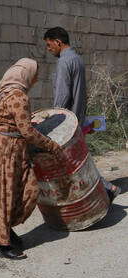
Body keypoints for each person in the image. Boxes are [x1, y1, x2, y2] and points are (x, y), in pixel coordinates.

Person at [0, 59, 66, 260]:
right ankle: (1, 245)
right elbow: (27, 133)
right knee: (8, 194)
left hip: (6, 148)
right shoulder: (18, 96)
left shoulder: (6, 91)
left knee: (19, 191)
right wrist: (53, 146)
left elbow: (14, 122)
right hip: (6, 151)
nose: (36, 78)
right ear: (26, 74)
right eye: (35, 74)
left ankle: (6, 232)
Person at [44, 27, 121, 201]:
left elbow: (63, 94)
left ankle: (107, 188)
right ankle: (105, 189)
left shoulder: (64, 62)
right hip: (76, 117)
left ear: (58, 42)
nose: (48, 49)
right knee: (75, 160)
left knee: (72, 162)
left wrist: (54, 118)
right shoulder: (76, 59)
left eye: (49, 45)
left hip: (65, 122)